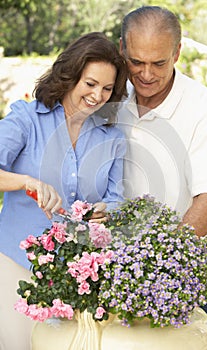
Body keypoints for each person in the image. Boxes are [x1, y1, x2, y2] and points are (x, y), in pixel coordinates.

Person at [117, 6, 207, 350]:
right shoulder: (112, 94)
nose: (146, 74)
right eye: (136, 61)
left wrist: (159, 263)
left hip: (183, 260)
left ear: (177, 52)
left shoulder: (202, 109)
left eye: (159, 63)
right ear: (122, 48)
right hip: (121, 259)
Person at [0, 32, 128, 270]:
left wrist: (104, 211)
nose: (97, 96)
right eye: (90, 84)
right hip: (13, 261)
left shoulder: (112, 139)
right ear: (70, 76)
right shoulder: (27, 119)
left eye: (107, 89)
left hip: (75, 274)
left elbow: (115, 199)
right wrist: (26, 182)